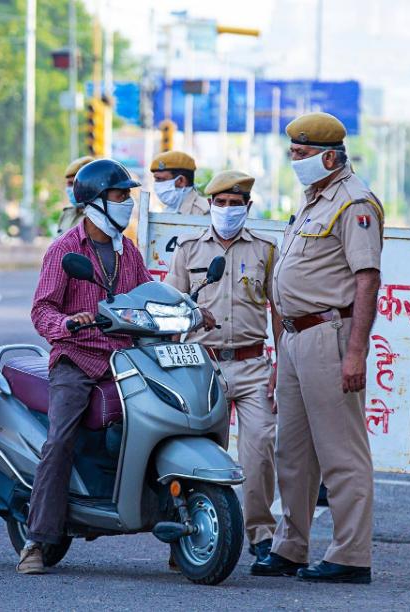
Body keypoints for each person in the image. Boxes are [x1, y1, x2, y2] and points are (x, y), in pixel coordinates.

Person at [252, 112, 383, 584]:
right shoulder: (313, 201)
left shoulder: (354, 202)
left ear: (330, 156)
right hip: (293, 338)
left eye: (302, 154)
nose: (295, 161)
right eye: (293, 153)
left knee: (341, 453)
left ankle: (351, 555)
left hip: (329, 336)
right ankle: (291, 546)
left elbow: (367, 280)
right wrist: (278, 350)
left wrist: (356, 352)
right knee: (293, 452)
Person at [17, 159, 157, 575]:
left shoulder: (127, 251)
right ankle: (37, 541)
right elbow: (42, 311)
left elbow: (148, 295)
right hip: (76, 360)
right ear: (95, 201)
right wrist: (67, 324)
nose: (127, 203)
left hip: (124, 360)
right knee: (59, 440)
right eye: (119, 195)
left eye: (128, 195)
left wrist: (187, 310)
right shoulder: (63, 250)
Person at [165, 170, 281, 565]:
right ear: (209, 206)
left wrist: (280, 365)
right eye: (221, 204)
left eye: (236, 205)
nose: (228, 211)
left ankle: (261, 536)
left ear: (248, 208)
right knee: (192, 454)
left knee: (260, 450)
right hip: (201, 366)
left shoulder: (266, 251)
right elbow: (171, 307)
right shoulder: (188, 249)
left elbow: (279, 311)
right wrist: (194, 312)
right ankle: (184, 533)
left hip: (252, 365)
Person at [150, 150, 209, 215]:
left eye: (159, 179)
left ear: (181, 181)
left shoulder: (203, 211)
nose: (156, 184)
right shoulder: (169, 209)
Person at [56, 155, 95, 235]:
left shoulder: (98, 217)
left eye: (74, 183)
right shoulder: (67, 212)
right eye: (69, 184)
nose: (71, 188)